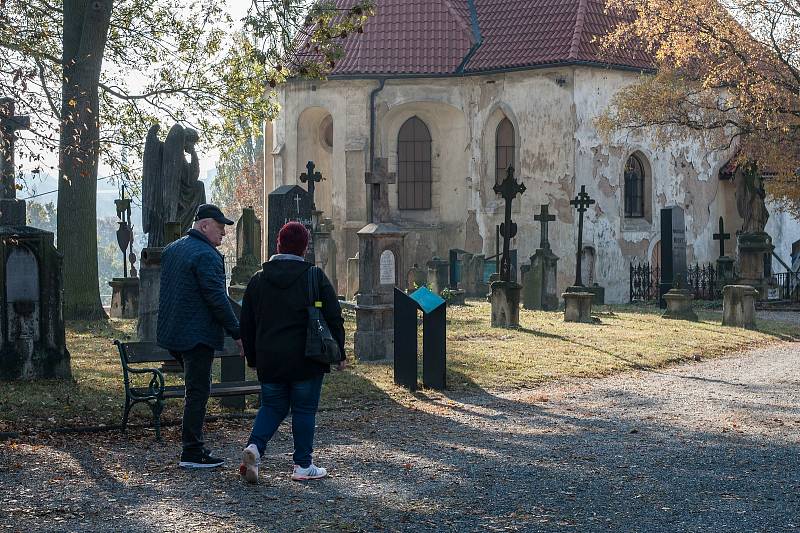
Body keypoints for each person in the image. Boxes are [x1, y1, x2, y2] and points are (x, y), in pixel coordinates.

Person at [238, 221, 345, 484]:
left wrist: (252, 358)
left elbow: (246, 324)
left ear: (278, 244)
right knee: (304, 410)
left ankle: (254, 447)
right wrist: (339, 352)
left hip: (270, 358)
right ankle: (302, 465)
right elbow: (333, 315)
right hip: (306, 357)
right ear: (304, 248)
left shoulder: (258, 280)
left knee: (273, 406)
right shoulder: (314, 276)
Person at [157, 203, 243, 468]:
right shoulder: (207, 255)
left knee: (194, 389)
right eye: (220, 228)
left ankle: (193, 448)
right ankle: (192, 452)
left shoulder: (173, 249)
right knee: (197, 391)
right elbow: (217, 299)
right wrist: (237, 332)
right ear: (204, 226)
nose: (224, 235)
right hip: (197, 336)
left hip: (172, 334)